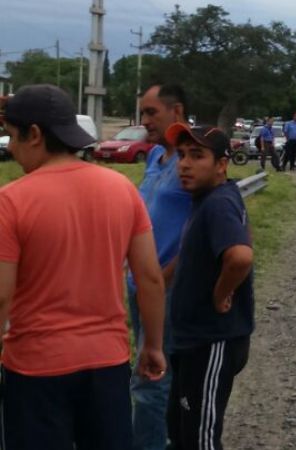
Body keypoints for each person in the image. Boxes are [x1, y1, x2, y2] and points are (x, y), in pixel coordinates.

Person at [0, 84, 167, 450]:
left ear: (34, 134)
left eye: (12, 136)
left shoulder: (11, 202)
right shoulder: (122, 189)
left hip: (36, 369)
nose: (10, 148)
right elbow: (150, 278)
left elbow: (1, 295)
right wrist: (152, 346)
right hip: (106, 363)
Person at [164, 123, 255, 450]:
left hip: (212, 339)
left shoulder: (217, 203)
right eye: (182, 155)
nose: (184, 164)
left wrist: (220, 294)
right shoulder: (208, 198)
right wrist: (161, 280)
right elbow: (193, 250)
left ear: (221, 164)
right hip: (192, 338)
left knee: (200, 437)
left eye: (197, 156)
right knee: (180, 428)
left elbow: (240, 257)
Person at [130, 83, 194, 450]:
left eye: (152, 112)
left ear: (177, 110)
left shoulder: (192, 155)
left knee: (149, 378)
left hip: (165, 288)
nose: (145, 121)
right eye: (142, 113)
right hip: (139, 284)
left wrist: (165, 278)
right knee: (149, 373)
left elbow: (201, 227)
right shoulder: (155, 157)